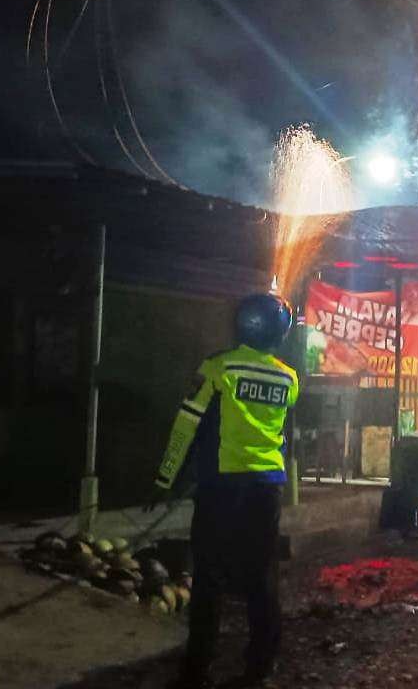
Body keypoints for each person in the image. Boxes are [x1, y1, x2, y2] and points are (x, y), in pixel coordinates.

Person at [147, 292, 299, 689]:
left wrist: (165, 478)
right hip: (266, 489)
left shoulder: (217, 368)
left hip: (221, 489)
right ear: (279, 334)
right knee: (262, 578)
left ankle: (196, 673)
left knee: (209, 580)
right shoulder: (288, 378)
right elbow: (283, 435)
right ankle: (261, 668)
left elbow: (186, 425)